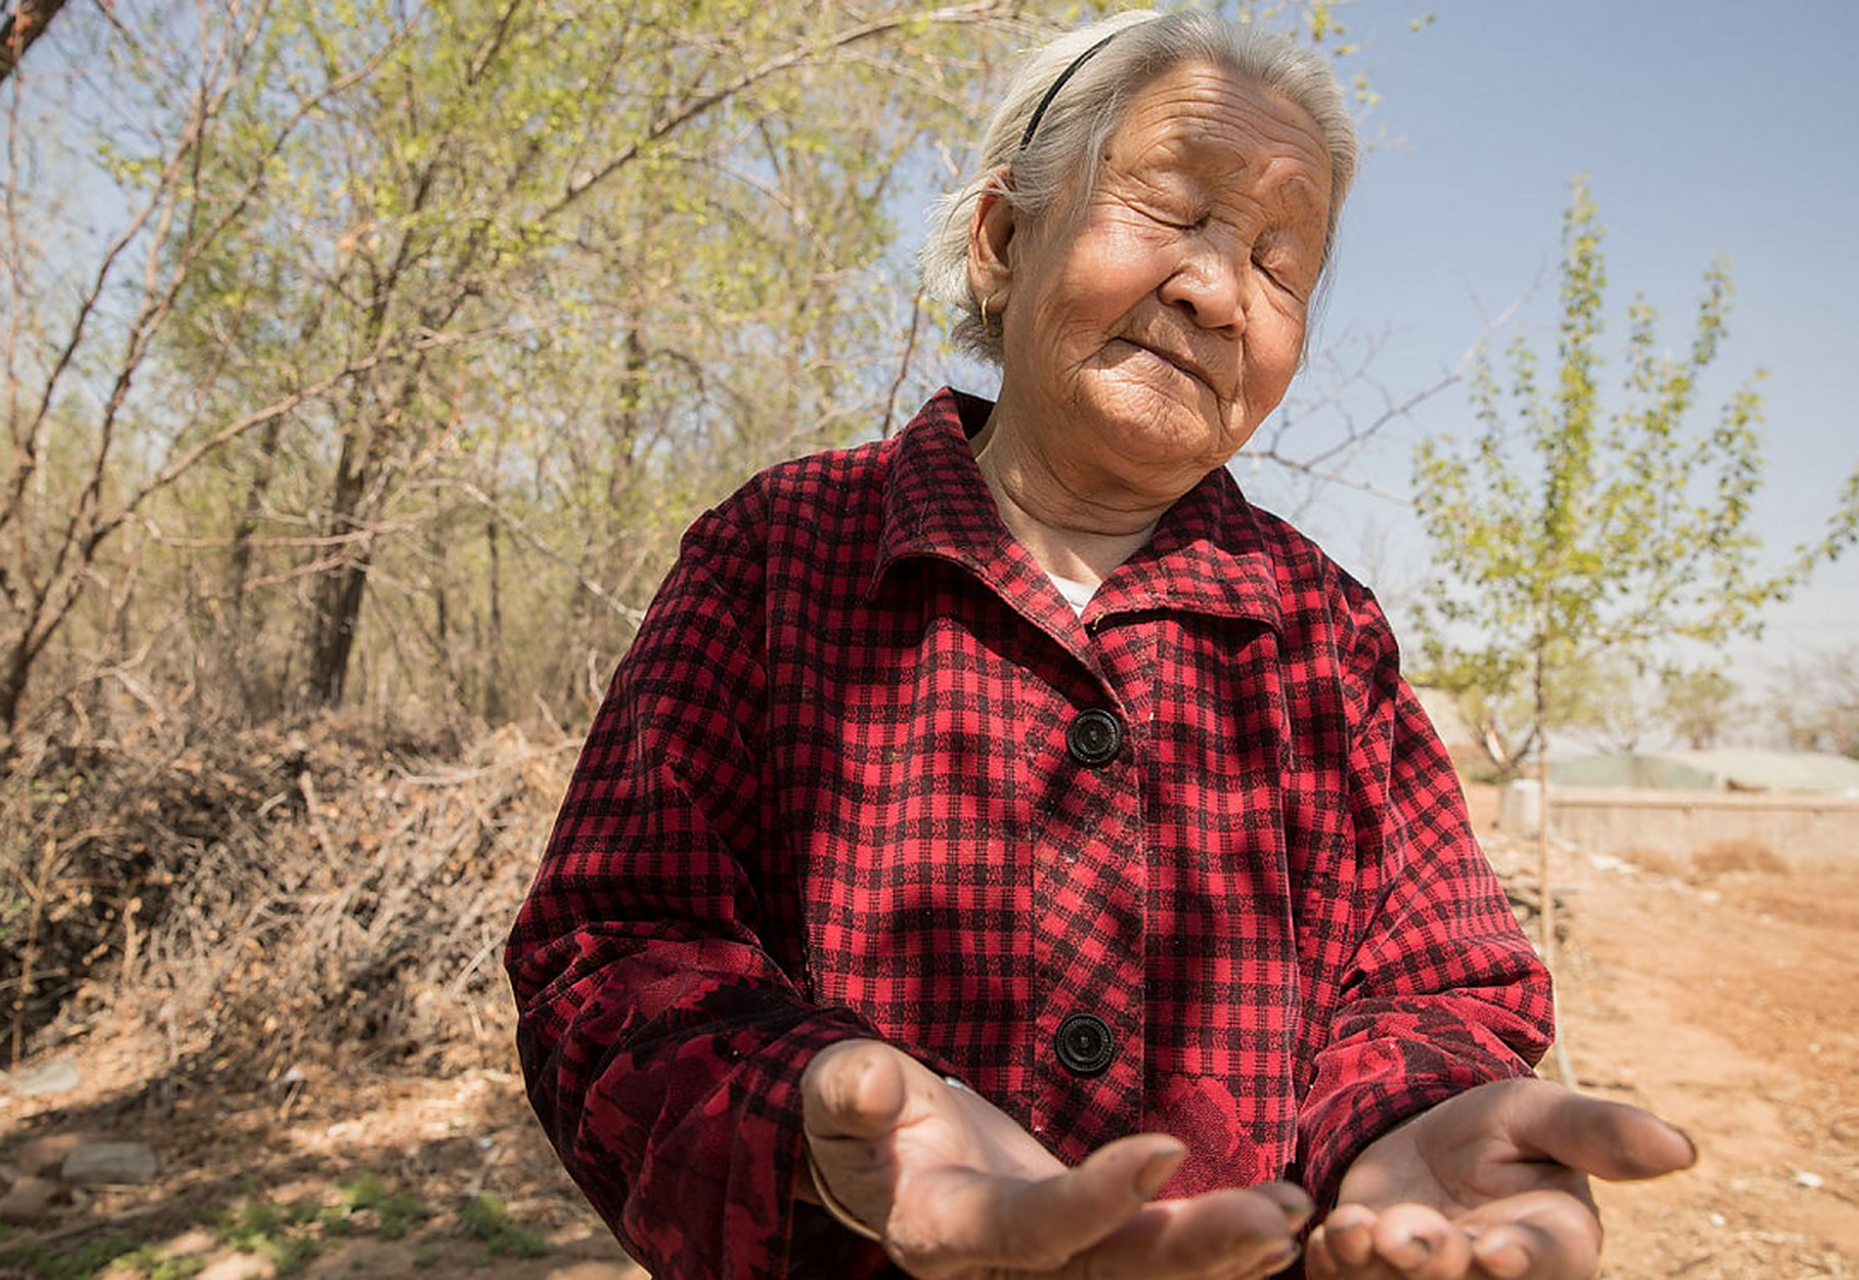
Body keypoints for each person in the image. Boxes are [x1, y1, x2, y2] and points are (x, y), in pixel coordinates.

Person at [506, 11, 1696, 1280]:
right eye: (1174, 212)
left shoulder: (1326, 639)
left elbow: (1433, 982)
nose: (1217, 289)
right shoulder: (779, 554)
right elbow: (607, 952)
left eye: (1280, 263)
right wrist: (804, 1107)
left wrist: (1411, 1121)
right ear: (1006, 238)